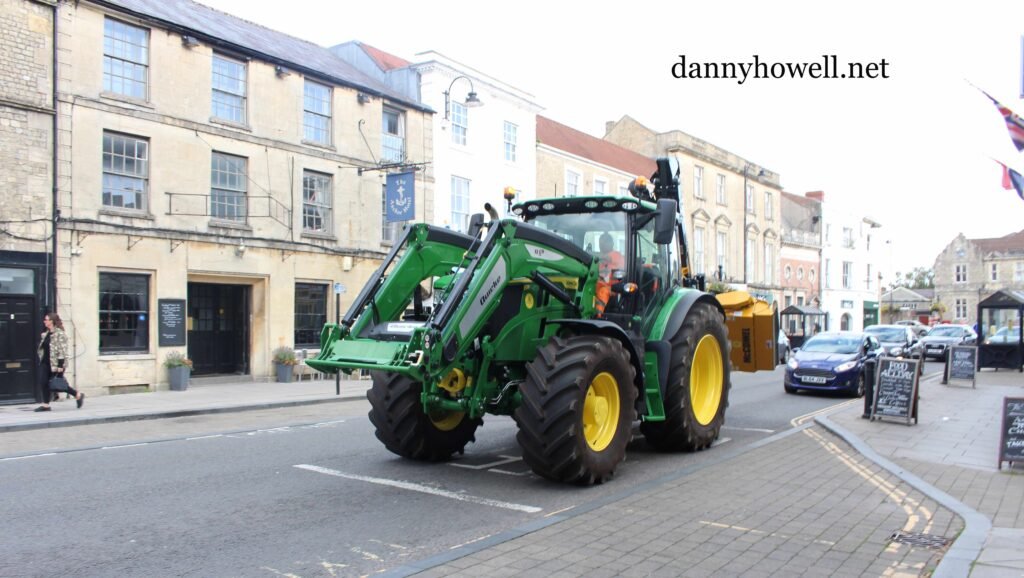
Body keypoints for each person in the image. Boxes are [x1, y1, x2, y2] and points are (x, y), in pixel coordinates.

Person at [34, 312, 84, 412]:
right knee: (43, 382)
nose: (44, 321)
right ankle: (46, 405)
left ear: (51, 321)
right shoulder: (47, 333)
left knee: (58, 384)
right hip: (45, 362)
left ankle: (77, 394)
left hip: (56, 364)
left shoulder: (60, 334)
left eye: (46, 320)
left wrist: (60, 366)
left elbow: (62, 350)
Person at [595, 233, 625, 316]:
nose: (601, 245)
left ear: (611, 244)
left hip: (613, 288)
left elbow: (607, 258)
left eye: (604, 242)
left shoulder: (616, 255)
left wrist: (593, 256)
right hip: (600, 284)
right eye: (600, 243)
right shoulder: (601, 260)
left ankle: (598, 315)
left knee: (603, 292)